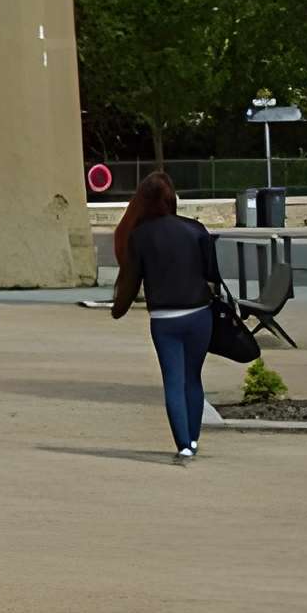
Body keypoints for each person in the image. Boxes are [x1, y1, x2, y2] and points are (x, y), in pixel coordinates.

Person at [109, 174, 219, 461]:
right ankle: (193, 439)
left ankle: (183, 444)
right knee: (193, 378)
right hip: (199, 314)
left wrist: (118, 309)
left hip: (164, 317)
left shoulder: (139, 236)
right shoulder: (195, 229)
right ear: (172, 199)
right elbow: (212, 274)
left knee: (173, 379)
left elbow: (131, 282)